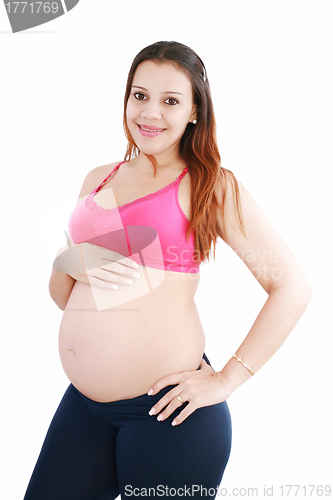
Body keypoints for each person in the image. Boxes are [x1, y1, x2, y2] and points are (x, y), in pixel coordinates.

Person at [23, 41, 312, 499]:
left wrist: (228, 379)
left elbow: (291, 286)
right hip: (84, 408)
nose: (150, 112)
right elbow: (69, 297)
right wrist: (65, 261)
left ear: (195, 110)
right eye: (139, 95)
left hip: (168, 414)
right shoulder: (99, 177)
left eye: (170, 101)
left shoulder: (209, 185)